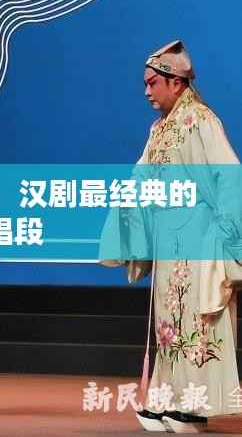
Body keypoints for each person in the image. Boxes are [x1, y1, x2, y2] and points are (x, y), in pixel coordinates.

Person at [100, 40, 242, 433]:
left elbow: (229, 174)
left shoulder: (200, 120)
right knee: (170, 323)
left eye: (153, 83)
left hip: (198, 238)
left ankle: (194, 409)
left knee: (196, 319)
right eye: (145, 84)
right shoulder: (160, 128)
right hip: (170, 239)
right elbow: (142, 175)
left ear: (176, 83)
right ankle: (167, 399)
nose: (147, 91)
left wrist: (227, 234)